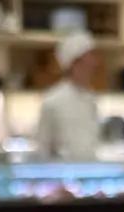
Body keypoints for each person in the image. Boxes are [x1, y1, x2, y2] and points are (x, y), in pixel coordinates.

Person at [36, 34, 100, 163]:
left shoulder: (90, 98)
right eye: (88, 60)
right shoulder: (53, 101)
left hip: (90, 171)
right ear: (74, 64)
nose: (94, 64)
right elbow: (43, 150)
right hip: (62, 173)